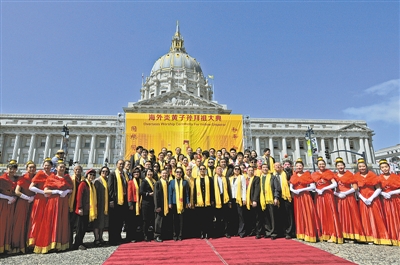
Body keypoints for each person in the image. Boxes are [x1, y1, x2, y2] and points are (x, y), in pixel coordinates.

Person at [34, 161, 73, 253]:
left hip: (63, 202)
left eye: (63, 167)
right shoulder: (52, 178)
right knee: (52, 221)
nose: (62, 169)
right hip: (54, 201)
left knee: (61, 222)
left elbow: (71, 189)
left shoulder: (67, 178)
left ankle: (60, 244)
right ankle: (50, 244)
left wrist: (67, 191)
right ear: (56, 168)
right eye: (60, 167)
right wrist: (57, 192)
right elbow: (46, 191)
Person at [354, 158, 391, 245]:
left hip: (373, 198)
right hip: (363, 198)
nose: (362, 168)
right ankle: (369, 236)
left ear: (366, 167)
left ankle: (379, 236)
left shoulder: (373, 175)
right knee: (365, 218)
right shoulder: (355, 176)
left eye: (363, 166)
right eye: (360, 166)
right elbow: (356, 190)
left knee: (376, 217)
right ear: (358, 168)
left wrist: (371, 198)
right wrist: (363, 199)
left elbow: (378, 188)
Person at [333, 157, 366, 243]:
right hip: (339, 198)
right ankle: (344, 235)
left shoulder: (350, 174)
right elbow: (332, 188)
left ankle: (354, 235)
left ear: (344, 166)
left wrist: (346, 193)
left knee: (352, 216)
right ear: (336, 167)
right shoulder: (334, 176)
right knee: (341, 216)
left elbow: (355, 187)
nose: (340, 167)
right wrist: (337, 194)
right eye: (338, 165)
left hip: (349, 198)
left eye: (341, 165)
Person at [312, 157, 343, 244]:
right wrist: (316, 190)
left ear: (325, 165)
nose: (321, 165)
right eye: (320, 164)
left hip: (327, 195)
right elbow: (313, 185)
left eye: (323, 164)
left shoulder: (329, 173)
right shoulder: (314, 174)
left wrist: (325, 188)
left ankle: (332, 234)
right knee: (320, 214)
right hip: (319, 196)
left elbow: (334, 184)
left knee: (330, 214)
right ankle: (323, 233)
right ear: (317, 165)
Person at [289, 158, 318, 243]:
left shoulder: (307, 174)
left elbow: (312, 186)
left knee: (308, 213)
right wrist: (294, 191)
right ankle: (301, 232)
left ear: (303, 166)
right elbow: (291, 186)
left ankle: (310, 233)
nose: (298, 167)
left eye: (300, 166)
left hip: (305, 196)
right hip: (297, 197)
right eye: (297, 166)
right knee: (299, 214)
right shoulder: (293, 176)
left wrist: (302, 190)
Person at [27, 158, 53, 248]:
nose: (47, 167)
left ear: (51, 167)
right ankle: (33, 242)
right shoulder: (40, 174)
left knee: (47, 221)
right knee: (37, 220)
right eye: (45, 165)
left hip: (49, 200)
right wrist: (43, 192)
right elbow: (31, 187)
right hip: (40, 200)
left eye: (48, 165)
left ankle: (44, 241)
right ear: (43, 166)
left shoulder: (53, 175)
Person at [11, 161, 36, 253]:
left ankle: (28, 244)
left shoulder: (36, 178)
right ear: (26, 169)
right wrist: (27, 197)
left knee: (31, 224)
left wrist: (33, 197)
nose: (32, 169)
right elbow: (17, 191)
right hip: (22, 203)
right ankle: (17, 245)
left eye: (33, 167)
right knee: (20, 224)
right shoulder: (22, 178)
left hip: (32, 203)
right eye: (30, 167)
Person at [73, 169, 97, 250]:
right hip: (82, 209)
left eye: (93, 175)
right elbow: (79, 196)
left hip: (87, 209)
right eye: (90, 175)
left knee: (84, 227)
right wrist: (80, 208)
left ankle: (81, 242)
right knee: (80, 227)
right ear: (87, 175)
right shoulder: (83, 184)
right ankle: (77, 243)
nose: (92, 176)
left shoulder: (91, 184)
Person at [378, 159, 400, 246]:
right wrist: (382, 193)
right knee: (388, 217)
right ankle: (390, 237)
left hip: (395, 200)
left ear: (389, 167)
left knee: (397, 217)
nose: (384, 169)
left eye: (386, 167)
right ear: (380, 169)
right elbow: (377, 189)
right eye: (382, 167)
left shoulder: (396, 176)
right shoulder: (379, 178)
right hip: (385, 201)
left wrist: (392, 192)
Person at [108, 160, 129, 245]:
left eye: (123, 164)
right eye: (120, 164)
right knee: (114, 221)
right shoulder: (113, 174)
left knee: (120, 220)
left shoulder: (124, 174)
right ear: (116, 165)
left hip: (123, 200)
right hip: (116, 200)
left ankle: (118, 237)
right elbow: (110, 188)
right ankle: (112, 239)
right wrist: (111, 200)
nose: (121, 165)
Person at [0, 160, 18, 254]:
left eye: (14, 168)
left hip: (13, 204)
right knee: (2, 225)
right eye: (10, 168)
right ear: (6, 169)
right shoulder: (1, 179)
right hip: (3, 204)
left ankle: (7, 246)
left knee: (10, 225)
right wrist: (7, 197)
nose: (12, 170)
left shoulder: (17, 179)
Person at [258, 164, 280, 239]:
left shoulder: (272, 177)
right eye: (263, 167)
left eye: (266, 167)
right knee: (265, 217)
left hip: (271, 199)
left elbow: (277, 188)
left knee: (272, 217)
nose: (265, 169)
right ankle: (268, 231)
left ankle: (273, 233)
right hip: (263, 200)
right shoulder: (259, 178)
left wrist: (276, 197)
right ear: (261, 169)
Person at [273, 162, 295, 239]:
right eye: (276, 166)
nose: (278, 167)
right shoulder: (273, 175)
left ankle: (289, 232)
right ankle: (281, 231)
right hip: (277, 196)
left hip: (286, 196)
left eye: (279, 165)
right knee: (279, 215)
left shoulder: (286, 174)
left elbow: (291, 183)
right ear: (274, 167)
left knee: (288, 215)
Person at [193, 165, 215, 239]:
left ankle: (207, 233)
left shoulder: (209, 179)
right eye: (201, 169)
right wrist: (195, 201)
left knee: (208, 219)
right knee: (200, 219)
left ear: (205, 170)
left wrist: (212, 200)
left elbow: (212, 190)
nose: (202, 170)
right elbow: (195, 191)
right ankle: (201, 233)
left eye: (203, 169)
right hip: (199, 203)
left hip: (208, 202)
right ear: (199, 170)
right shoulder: (196, 179)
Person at [169, 167, 190, 241]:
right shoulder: (171, 182)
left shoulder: (185, 182)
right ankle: (175, 234)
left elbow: (187, 194)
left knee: (181, 220)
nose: (178, 173)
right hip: (174, 203)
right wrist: (170, 203)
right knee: (174, 220)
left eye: (180, 172)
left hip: (182, 203)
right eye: (177, 172)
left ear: (182, 173)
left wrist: (188, 202)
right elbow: (170, 193)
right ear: (175, 173)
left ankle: (180, 235)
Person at [213, 165, 232, 238]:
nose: (220, 170)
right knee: (217, 217)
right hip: (216, 199)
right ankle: (218, 232)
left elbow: (229, 190)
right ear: (215, 170)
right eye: (218, 169)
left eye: (221, 169)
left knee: (225, 217)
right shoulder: (213, 179)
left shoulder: (225, 179)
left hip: (225, 198)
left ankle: (226, 232)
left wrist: (229, 201)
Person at [93, 166, 110, 246]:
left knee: (102, 222)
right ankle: (96, 239)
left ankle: (101, 237)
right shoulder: (97, 181)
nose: (105, 173)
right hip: (98, 204)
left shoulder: (107, 180)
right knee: (97, 222)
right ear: (100, 172)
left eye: (106, 171)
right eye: (103, 171)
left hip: (105, 204)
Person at [229, 165, 247, 238]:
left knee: (241, 215)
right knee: (234, 215)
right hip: (232, 199)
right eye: (235, 169)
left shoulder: (242, 177)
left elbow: (244, 188)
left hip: (239, 198)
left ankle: (241, 231)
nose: (236, 170)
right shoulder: (230, 178)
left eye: (238, 169)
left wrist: (244, 198)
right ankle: (235, 230)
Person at [68, 165, 83, 248]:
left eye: (79, 169)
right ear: (74, 171)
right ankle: (70, 242)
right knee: (71, 223)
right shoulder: (71, 179)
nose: (78, 171)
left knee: (80, 224)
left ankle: (78, 242)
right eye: (76, 169)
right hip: (72, 203)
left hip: (80, 204)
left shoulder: (83, 180)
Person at [244, 167, 260, 238]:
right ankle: (251, 231)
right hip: (247, 201)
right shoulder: (245, 179)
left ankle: (258, 232)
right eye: (249, 170)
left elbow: (257, 189)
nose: (250, 172)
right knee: (250, 217)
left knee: (257, 217)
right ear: (246, 171)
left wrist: (255, 200)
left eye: (252, 170)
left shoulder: (256, 178)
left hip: (253, 200)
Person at [127, 168, 143, 242]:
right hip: (133, 203)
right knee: (132, 221)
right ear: (132, 174)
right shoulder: (130, 182)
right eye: (135, 172)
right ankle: (131, 237)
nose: (136, 173)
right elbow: (129, 194)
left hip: (140, 203)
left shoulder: (141, 181)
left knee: (138, 221)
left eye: (138, 172)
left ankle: (138, 236)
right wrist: (130, 204)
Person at [154, 169, 169, 242]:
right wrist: (157, 206)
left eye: (166, 174)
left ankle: (164, 235)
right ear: (161, 174)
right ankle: (157, 235)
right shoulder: (158, 183)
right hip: (160, 205)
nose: (164, 175)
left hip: (166, 205)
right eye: (163, 173)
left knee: (164, 221)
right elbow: (156, 196)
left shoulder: (167, 182)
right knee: (158, 221)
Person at [140, 169, 156, 242]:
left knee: (151, 219)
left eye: (151, 172)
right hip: (146, 203)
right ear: (146, 174)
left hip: (152, 203)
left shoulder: (154, 181)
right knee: (145, 220)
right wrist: (148, 194)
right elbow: (141, 192)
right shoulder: (144, 181)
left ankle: (151, 235)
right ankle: (145, 235)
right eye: (148, 173)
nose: (150, 174)